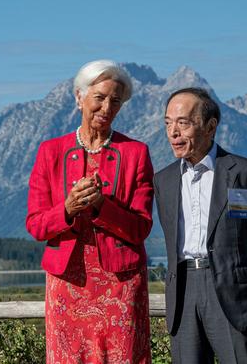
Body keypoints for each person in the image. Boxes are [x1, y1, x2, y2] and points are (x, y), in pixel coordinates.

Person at [26, 60, 153, 363]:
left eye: (116, 100)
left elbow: (140, 228)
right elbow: (36, 226)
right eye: (100, 97)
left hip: (121, 285)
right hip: (67, 285)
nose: (107, 107)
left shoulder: (136, 153)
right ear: (79, 97)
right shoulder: (50, 152)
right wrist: (67, 209)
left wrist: (101, 207)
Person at [154, 87, 247, 363]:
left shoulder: (244, 172)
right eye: (168, 123)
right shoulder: (164, 180)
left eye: (183, 123)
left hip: (233, 291)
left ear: (210, 126)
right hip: (182, 291)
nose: (173, 132)